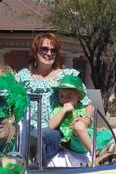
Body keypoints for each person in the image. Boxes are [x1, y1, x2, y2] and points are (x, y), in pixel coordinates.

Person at [15, 33, 93, 164]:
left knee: (40, 136)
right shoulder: (22, 77)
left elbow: (88, 106)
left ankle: (36, 172)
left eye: (53, 50)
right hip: (25, 129)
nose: (49, 53)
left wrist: (85, 120)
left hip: (56, 131)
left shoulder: (66, 77)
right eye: (44, 49)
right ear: (35, 52)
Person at [49, 75, 116, 157]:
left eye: (69, 96)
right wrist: (63, 110)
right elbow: (51, 126)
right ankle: (94, 151)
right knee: (78, 125)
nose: (65, 99)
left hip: (91, 137)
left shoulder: (81, 106)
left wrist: (97, 129)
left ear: (78, 97)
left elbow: (90, 116)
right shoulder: (59, 108)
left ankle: (107, 150)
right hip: (75, 140)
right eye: (61, 96)